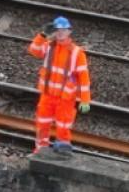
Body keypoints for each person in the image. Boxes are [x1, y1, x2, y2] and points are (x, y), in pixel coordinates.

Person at [29, 15, 92, 153]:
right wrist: (42, 35)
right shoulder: (48, 47)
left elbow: (84, 77)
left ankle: (62, 154)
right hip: (47, 96)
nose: (60, 33)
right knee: (42, 124)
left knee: (63, 127)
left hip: (65, 99)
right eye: (57, 30)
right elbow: (33, 49)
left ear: (69, 31)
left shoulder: (77, 53)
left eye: (63, 30)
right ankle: (40, 151)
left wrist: (85, 99)